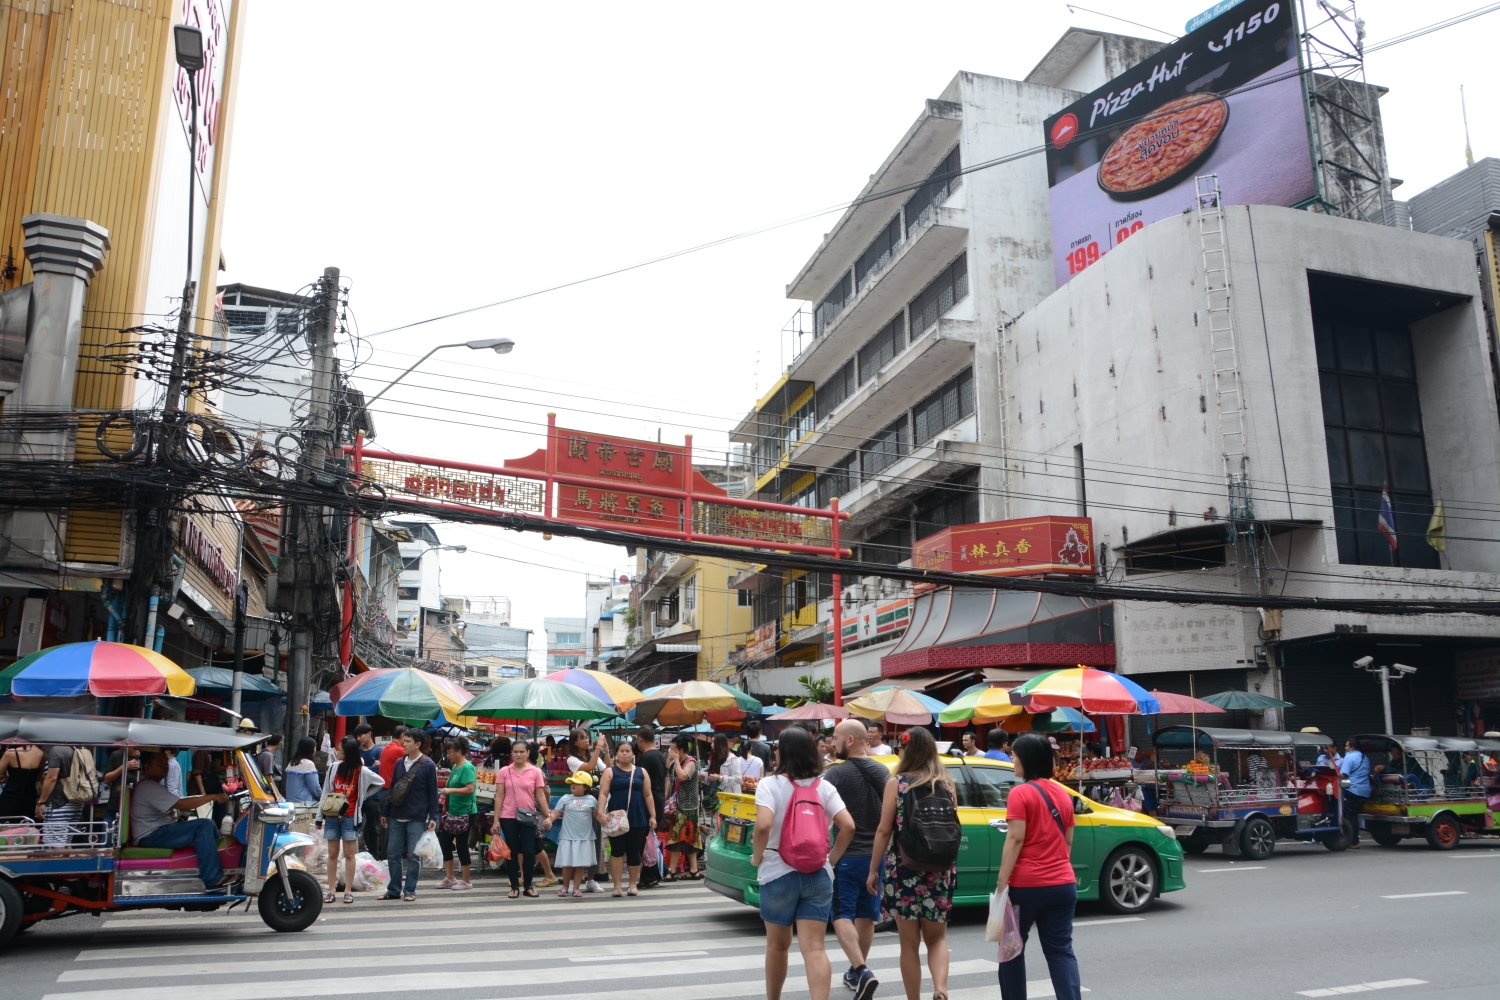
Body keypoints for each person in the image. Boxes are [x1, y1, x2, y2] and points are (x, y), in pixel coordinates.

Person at [753, 726, 855, 1000]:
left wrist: (756, 856)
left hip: (777, 873)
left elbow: (762, 826)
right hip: (818, 873)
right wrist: (831, 859)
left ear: (782, 752)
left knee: (777, 946)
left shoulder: (769, 785)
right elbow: (848, 826)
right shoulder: (825, 787)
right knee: (815, 948)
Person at [868, 727, 956, 1000]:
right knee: (937, 939)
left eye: (901, 747)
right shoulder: (947, 783)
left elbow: (884, 831)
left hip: (904, 870)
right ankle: (940, 989)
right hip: (940, 870)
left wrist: (873, 870)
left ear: (908, 751)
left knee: (909, 943)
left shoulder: (897, 784)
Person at [995, 733, 1081, 1000]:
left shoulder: (1020, 793)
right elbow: (1067, 842)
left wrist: (1001, 882)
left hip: (1025, 886)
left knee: (1011, 949)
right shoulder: (1063, 794)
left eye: (1015, 755)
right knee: (1060, 950)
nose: (1012, 758)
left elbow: (1016, 837)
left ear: (1027, 759)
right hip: (1063, 884)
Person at [825, 719, 889, 1000]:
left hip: (847, 856)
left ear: (850, 740)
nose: (831, 742)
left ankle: (861, 970)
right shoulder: (884, 771)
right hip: (875, 857)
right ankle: (856, 971)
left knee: (841, 914)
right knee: (866, 916)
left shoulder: (835, 775)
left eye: (836, 737)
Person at [130, 751, 232, 889]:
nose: (165, 766)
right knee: (204, 825)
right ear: (147, 767)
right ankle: (213, 878)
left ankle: (222, 868)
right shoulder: (148, 787)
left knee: (210, 824)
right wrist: (213, 797)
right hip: (150, 835)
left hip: (158, 830)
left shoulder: (153, 785)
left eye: (165, 762)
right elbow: (181, 804)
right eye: (159, 763)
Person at [323, 735, 385, 904]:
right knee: (332, 853)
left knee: (350, 854)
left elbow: (380, 782)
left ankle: (348, 891)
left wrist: (362, 796)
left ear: (348, 752)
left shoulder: (361, 771)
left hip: (350, 816)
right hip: (332, 815)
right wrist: (319, 815)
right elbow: (326, 791)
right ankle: (331, 890)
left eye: (340, 749)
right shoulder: (334, 768)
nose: (337, 751)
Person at [380, 728, 439, 901]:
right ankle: (394, 889)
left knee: (414, 856)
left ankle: (410, 890)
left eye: (407, 742)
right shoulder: (399, 762)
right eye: (404, 741)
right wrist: (386, 811)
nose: (403, 744)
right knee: (392, 853)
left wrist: (433, 817)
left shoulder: (428, 765)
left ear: (418, 744)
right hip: (396, 814)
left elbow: (432, 793)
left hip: (417, 816)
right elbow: (393, 788)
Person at [493, 739, 552, 898]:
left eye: (521, 752)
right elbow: (499, 796)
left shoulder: (535, 772)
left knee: (528, 850)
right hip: (507, 816)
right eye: (515, 752)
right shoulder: (504, 771)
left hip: (528, 816)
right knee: (512, 851)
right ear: (511, 753)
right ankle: (514, 886)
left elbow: (540, 795)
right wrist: (496, 820)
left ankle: (528, 885)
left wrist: (548, 816)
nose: (518, 754)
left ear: (527, 753)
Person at [597, 739, 656, 896]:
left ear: (633, 754)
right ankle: (617, 886)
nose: (624, 753)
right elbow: (603, 793)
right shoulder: (610, 772)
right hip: (616, 817)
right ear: (616, 753)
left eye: (627, 751)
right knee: (617, 851)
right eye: (621, 750)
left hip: (637, 816)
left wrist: (653, 816)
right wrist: (600, 812)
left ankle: (632, 884)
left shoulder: (641, 772)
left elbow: (648, 795)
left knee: (634, 850)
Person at [564, 728, 609, 893]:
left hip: (595, 802)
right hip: (580, 806)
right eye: (582, 738)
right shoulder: (572, 760)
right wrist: (598, 749)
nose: (586, 741)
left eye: (587, 738)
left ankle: (591, 879)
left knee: (595, 839)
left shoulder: (594, 757)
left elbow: (608, 769)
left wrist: (606, 751)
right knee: (577, 840)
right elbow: (589, 767)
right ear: (574, 742)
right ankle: (569, 882)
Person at [435, 737, 477, 891]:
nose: (448, 755)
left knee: (461, 846)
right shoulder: (455, 767)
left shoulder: (467, 767)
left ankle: (466, 880)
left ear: (459, 752)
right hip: (453, 813)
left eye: (450, 752)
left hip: (465, 813)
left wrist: (451, 790)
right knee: (445, 843)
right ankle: (450, 876)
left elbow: (470, 789)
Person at [550, 771, 599, 897]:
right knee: (566, 864)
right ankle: (565, 886)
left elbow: (596, 815)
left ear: (585, 787)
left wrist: (605, 820)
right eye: (572, 783)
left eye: (577, 784)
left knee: (580, 864)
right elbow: (556, 813)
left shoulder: (592, 800)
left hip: (585, 838)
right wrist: (549, 820)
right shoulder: (565, 798)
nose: (573, 785)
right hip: (567, 837)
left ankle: (577, 888)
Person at [664, 733, 704, 879]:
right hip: (677, 806)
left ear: (681, 750)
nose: (670, 751)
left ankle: (693, 869)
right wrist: (666, 798)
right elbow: (670, 779)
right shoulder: (675, 763)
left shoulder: (691, 762)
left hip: (690, 806)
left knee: (691, 837)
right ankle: (672, 870)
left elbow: (682, 776)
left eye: (673, 749)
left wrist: (675, 761)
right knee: (675, 837)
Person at [635, 726, 668, 888]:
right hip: (659, 799)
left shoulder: (646, 758)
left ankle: (650, 875)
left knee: (644, 840)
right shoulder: (660, 756)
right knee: (648, 840)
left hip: (650, 802)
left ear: (640, 739)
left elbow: (641, 783)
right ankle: (655, 872)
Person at [37, 744, 85, 847]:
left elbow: (51, 778)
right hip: (76, 801)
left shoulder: (57, 750)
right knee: (65, 841)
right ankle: (69, 862)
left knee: (56, 843)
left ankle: (59, 863)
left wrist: (42, 802)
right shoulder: (80, 749)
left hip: (59, 802)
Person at [1340, 738, 1372, 849]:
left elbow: (1343, 775)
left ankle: (1353, 841)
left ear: (1352, 747)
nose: (1345, 748)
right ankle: (1353, 840)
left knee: (1350, 816)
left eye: (1347, 746)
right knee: (1354, 816)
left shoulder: (1349, 757)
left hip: (1352, 789)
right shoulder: (1365, 757)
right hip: (1365, 791)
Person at [0, 743, 45, 820]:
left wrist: (7, 778)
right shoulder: (42, 754)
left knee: (5, 828)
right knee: (25, 828)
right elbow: (38, 778)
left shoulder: (11, 753)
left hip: (10, 797)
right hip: (29, 799)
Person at [190, 747, 228, 830]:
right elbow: (197, 773)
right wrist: (203, 793)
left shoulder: (207, 753)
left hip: (210, 789)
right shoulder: (201, 753)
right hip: (203, 791)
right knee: (205, 815)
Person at [284, 737, 322, 803]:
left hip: (290, 802)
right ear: (311, 749)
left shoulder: (291, 762)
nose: (315, 750)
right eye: (315, 747)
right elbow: (314, 788)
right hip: (304, 804)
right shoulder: (308, 764)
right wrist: (322, 797)